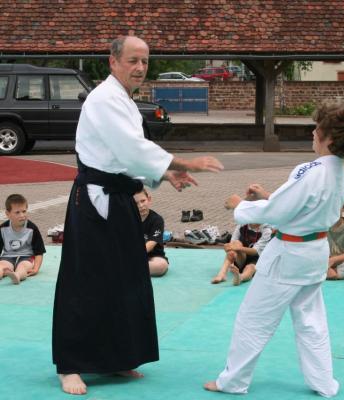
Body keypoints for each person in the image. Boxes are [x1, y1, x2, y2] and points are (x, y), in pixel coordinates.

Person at [52, 35, 223, 396]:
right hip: (96, 201)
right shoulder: (103, 99)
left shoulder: (124, 100)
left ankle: (117, 357)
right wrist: (180, 161)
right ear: (113, 62)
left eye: (145, 61)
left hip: (120, 198)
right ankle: (70, 364)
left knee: (126, 279)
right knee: (86, 282)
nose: (140, 68)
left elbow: (129, 156)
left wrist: (164, 173)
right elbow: (131, 149)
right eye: (133, 60)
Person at [204, 100, 344, 398]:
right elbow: (296, 205)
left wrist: (240, 206)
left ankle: (233, 381)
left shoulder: (312, 169)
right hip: (315, 250)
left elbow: (278, 211)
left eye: (317, 129)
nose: (312, 134)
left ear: (329, 137)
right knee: (311, 321)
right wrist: (264, 199)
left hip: (289, 255)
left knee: (254, 319)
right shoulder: (340, 172)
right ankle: (324, 383)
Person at [0, 194, 46, 284]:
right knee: (1, 265)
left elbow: (39, 252)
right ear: (7, 214)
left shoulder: (32, 229)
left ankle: (17, 276)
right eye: (17, 212)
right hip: (7, 257)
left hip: (26, 257)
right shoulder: (2, 229)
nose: (22, 215)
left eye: (24, 211)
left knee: (23, 267)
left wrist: (36, 268)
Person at [211, 220, 272, 285]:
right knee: (236, 243)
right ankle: (222, 274)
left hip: (256, 259)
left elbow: (255, 251)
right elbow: (232, 243)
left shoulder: (266, 231)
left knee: (250, 268)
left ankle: (240, 277)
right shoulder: (242, 224)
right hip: (241, 257)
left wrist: (238, 248)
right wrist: (228, 247)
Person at [134, 188, 169, 277]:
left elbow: (150, 244)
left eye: (143, 201)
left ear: (149, 199)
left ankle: (128, 270)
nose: (141, 206)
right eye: (136, 203)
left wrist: (133, 256)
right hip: (131, 256)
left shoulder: (157, 220)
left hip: (153, 257)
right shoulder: (128, 219)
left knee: (161, 266)